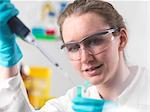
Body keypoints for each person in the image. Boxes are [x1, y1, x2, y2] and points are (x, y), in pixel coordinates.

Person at [0, 0, 149, 112]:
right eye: (73, 48)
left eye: (95, 41)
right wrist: (9, 63)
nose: (85, 58)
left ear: (121, 39)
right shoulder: (72, 103)